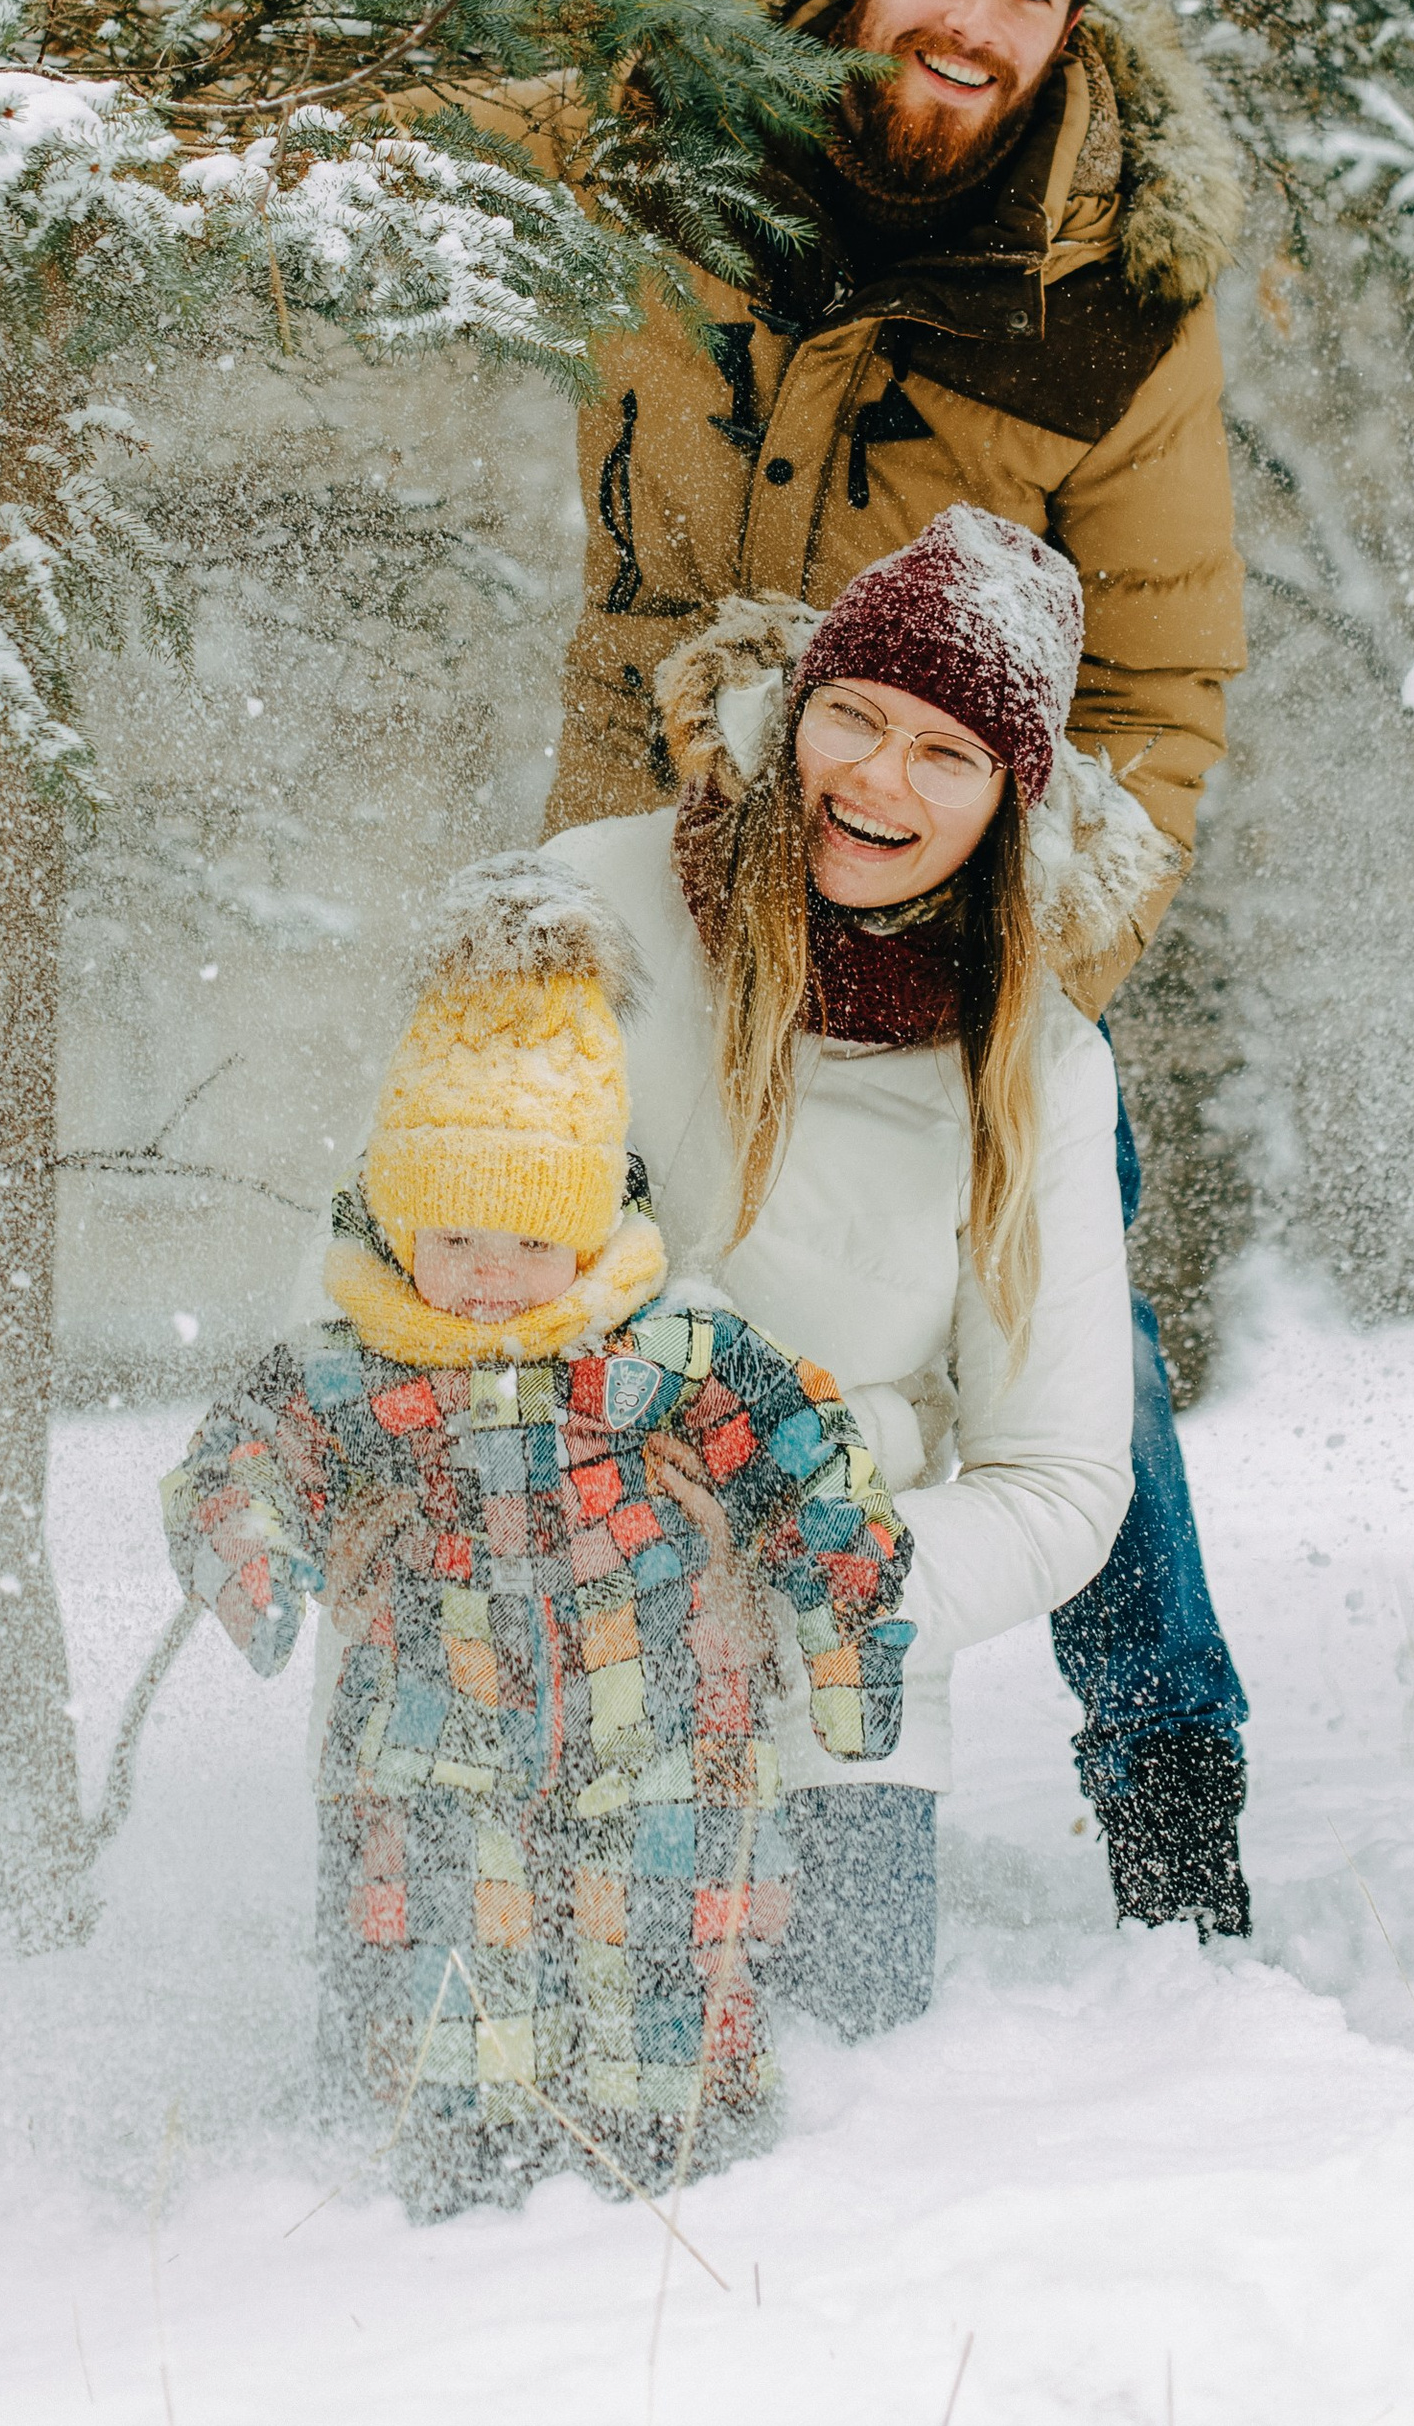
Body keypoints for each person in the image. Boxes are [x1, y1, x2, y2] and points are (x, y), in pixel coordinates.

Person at [544, 0, 1256, 1934]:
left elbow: (1163, 685)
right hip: (662, 901)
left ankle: (1175, 1813)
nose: (977, 22)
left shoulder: (1112, 306)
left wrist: (1028, 987)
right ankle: (597, 1818)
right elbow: (406, 122)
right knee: (583, 1313)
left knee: (1070, 1362)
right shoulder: (661, 146)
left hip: (958, 939)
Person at [161, 859, 912, 2219]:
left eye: (529, 1237)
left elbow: (816, 1469)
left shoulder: (668, 1353)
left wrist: (845, 1643)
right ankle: (471, 2174)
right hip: (436, 1738)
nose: (491, 1275)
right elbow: (236, 1461)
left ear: (590, 1227)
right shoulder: (352, 1366)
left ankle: (675, 2162)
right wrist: (256, 1559)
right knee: (455, 1958)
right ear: (400, 1223)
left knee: (662, 1950)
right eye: (454, 1235)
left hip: (663, 1724)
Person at [544, 505, 1146, 2032]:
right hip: (545, 1613)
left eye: (947, 754)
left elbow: (1060, 1481)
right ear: (791, 707)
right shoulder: (590, 910)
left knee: (836, 2086)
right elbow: (398, 1251)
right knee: (504, 2063)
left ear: (1009, 803)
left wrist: (819, 1574)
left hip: (833, 1675)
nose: (879, 779)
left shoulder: (1040, 1074)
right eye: (855, 718)